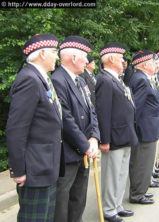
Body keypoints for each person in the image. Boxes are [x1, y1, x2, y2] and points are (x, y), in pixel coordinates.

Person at [6, 34, 62, 222]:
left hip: (46, 165)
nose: (57, 56)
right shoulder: (29, 79)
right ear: (42, 53)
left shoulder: (40, 77)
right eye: (54, 52)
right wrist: (18, 169)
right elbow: (16, 129)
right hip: (35, 168)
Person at [51, 36, 100, 222]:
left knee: (78, 200)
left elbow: (91, 110)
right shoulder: (57, 80)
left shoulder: (80, 81)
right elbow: (65, 119)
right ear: (72, 58)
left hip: (84, 150)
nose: (88, 61)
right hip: (68, 153)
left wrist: (94, 137)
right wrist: (85, 145)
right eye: (85, 57)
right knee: (63, 203)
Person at [95, 43, 138, 222]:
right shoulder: (104, 80)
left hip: (125, 134)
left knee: (121, 173)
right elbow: (103, 112)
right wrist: (104, 139)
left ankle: (117, 205)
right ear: (111, 59)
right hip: (113, 137)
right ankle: (109, 209)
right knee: (111, 175)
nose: (123, 61)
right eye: (121, 58)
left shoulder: (115, 78)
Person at [128, 50, 159, 205]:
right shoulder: (140, 79)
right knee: (142, 162)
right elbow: (137, 108)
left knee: (145, 163)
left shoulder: (142, 78)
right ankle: (137, 194)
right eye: (153, 62)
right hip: (144, 129)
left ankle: (141, 190)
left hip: (148, 127)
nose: (156, 65)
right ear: (145, 64)